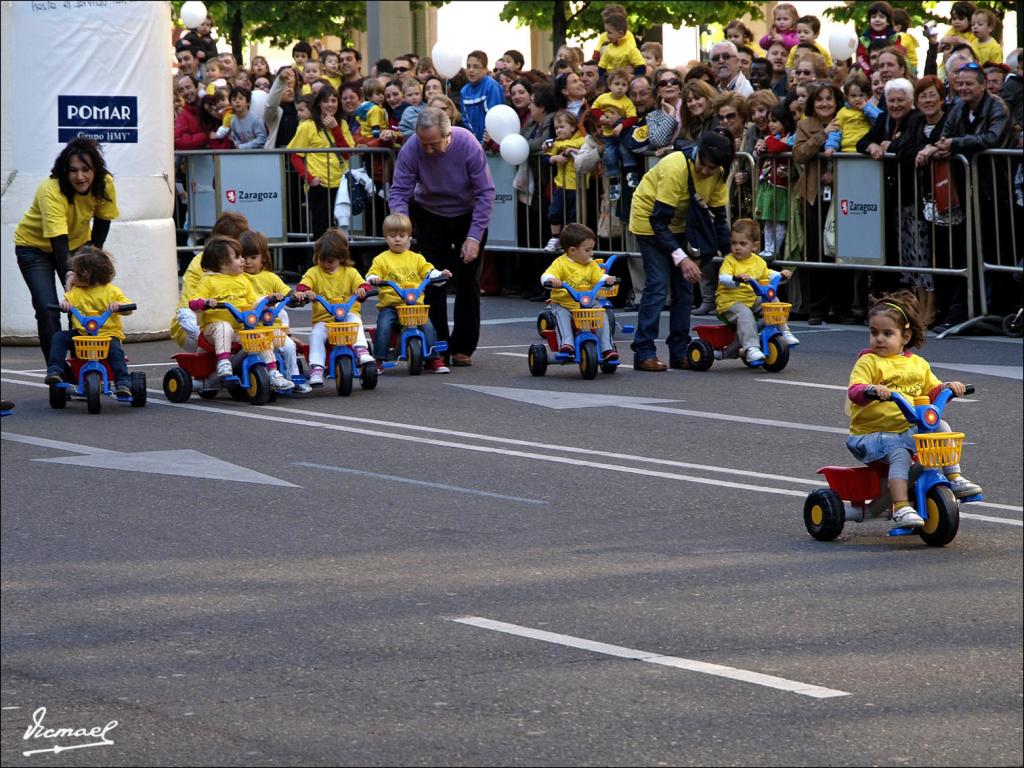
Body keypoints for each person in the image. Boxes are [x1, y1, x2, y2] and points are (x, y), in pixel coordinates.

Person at [845, 291, 982, 528]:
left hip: (904, 429)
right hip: (870, 434)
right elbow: (855, 389)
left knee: (941, 426)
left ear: (905, 336)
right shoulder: (869, 362)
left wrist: (950, 388)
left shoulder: (917, 364)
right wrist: (871, 390)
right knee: (899, 453)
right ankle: (900, 507)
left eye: (887, 333)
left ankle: (954, 477)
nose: (879, 339)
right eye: (874, 332)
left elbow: (933, 391)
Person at [388, 108, 495, 368]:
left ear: (448, 135)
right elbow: (400, 191)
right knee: (432, 280)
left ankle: (463, 347)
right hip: (429, 213)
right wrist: (402, 228)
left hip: (466, 213)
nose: (430, 149)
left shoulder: (467, 143)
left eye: (435, 144)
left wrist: (474, 238)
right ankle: (437, 346)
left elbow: (485, 192)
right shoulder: (413, 148)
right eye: (425, 144)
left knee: (468, 280)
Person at [628, 130, 733, 371]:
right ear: (697, 153)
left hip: (680, 222)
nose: (706, 172)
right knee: (657, 284)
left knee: (685, 289)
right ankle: (643, 351)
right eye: (703, 165)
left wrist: (732, 258)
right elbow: (658, 221)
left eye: (712, 168)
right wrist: (682, 258)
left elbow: (718, 218)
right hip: (649, 221)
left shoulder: (719, 174)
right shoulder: (676, 166)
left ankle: (679, 349)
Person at [15, 138, 118, 364]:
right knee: (48, 308)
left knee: (83, 304)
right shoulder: (51, 190)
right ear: (65, 171)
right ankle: (57, 369)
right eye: (73, 170)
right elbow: (58, 242)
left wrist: (90, 266)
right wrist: (71, 277)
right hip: (34, 248)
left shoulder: (105, 183)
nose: (80, 177)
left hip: (77, 246)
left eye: (85, 169)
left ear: (95, 170)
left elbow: (101, 225)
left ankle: (82, 364)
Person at [187, 236, 294, 391]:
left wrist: (267, 300)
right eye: (237, 257)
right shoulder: (209, 281)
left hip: (238, 330)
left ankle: (273, 373)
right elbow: (194, 302)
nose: (243, 260)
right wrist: (204, 303)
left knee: (259, 336)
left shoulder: (242, 280)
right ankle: (223, 361)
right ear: (222, 262)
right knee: (224, 326)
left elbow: (253, 301)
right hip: (212, 332)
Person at [366, 214, 453, 374]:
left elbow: (429, 272)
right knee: (384, 326)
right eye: (392, 236)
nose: (397, 239)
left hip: (415, 306)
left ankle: (433, 359)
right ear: (386, 238)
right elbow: (371, 274)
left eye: (402, 235)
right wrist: (374, 279)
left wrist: (440, 274)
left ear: (409, 237)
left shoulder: (417, 258)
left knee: (428, 326)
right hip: (392, 305)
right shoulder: (381, 259)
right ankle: (379, 360)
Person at [43, 246, 134, 397]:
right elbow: (67, 300)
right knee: (59, 337)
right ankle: (55, 370)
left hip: (107, 336)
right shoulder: (76, 292)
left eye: (76, 273)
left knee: (116, 352)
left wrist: (119, 306)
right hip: (81, 335)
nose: (72, 275)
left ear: (88, 274)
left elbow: (128, 309)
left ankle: (123, 383)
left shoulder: (112, 291)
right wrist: (65, 304)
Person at [294, 228, 375, 385]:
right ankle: (317, 368)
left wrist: (362, 290)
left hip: (346, 317)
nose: (325, 264)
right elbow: (302, 286)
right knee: (316, 334)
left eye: (330, 261)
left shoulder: (350, 272)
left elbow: (364, 285)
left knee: (355, 319)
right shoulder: (314, 272)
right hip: (325, 320)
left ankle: (361, 350)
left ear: (341, 257)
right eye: (321, 260)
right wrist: (306, 292)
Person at [716, 218, 799, 364]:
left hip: (751, 299)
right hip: (730, 302)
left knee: (774, 302)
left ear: (754, 246)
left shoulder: (758, 261)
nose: (737, 247)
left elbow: (767, 273)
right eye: (734, 243)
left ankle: (784, 331)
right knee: (745, 313)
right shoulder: (730, 260)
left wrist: (781, 274)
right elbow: (723, 277)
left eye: (742, 244)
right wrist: (736, 278)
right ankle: (751, 348)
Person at [239, 230, 310, 394]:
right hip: (252, 329)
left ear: (263, 257)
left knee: (290, 346)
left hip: (274, 329)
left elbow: (287, 293)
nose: (248, 262)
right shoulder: (238, 279)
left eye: (253, 257)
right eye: (244, 257)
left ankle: (295, 377)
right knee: (261, 349)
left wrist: (296, 296)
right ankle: (267, 376)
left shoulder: (270, 277)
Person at [540, 223, 619, 359]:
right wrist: (552, 280)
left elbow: (599, 277)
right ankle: (566, 344)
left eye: (591, 250)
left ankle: (607, 347)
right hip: (564, 304)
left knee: (602, 314)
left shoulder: (591, 264)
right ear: (572, 250)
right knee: (562, 316)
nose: (591, 254)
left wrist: (608, 280)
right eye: (587, 250)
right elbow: (546, 276)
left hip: (588, 303)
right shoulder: (561, 264)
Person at [287, 84, 354, 244]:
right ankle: (318, 265)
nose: (330, 104)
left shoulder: (342, 124)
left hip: (340, 184)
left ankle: (340, 263)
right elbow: (294, 156)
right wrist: (309, 178)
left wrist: (335, 129)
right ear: (319, 104)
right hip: (319, 185)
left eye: (333, 100)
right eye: (326, 101)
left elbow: (346, 153)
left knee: (341, 230)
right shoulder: (307, 126)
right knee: (321, 230)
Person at [754, 102, 796, 260]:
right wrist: (760, 146)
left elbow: (776, 147)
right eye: (770, 120)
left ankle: (776, 249)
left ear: (785, 121)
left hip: (781, 187)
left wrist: (767, 142)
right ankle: (768, 247)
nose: (771, 124)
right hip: (767, 185)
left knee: (778, 220)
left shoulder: (791, 138)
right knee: (767, 219)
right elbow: (759, 151)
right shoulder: (773, 138)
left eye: (775, 120)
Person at [591, 67, 638, 199]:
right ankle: (613, 182)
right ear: (610, 85)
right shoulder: (603, 98)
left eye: (624, 85)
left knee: (625, 151)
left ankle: (631, 173)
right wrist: (600, 117)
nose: (620, 88)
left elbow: (632, 117)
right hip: (608, 136)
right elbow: (594, 108)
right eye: (617, 84)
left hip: (622, 135)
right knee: (610, 156)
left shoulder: (627, 102)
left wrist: (621, 126)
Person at [543, 110, 586, 252]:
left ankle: (569, 242)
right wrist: (553, 158)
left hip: (578, 186)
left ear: (572, 127)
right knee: (554, 212)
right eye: (556, 128)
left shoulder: (582, 140)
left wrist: (572, 150)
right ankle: (555, 238)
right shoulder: (555, 143)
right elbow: (545, 157)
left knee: (574, 217)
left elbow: (587, 153)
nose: (558, 130)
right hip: (561, 184)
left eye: (561, 127)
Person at [825, 72, 883, 155]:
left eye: (861, 95)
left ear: (868, 96)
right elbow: (835, 131)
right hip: (847, 151)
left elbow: (881, 121)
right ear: (847, 97)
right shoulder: (842, 112)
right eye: (853, 96)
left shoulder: (871, 108)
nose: (857, 99)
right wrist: (831, 146)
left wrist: (867, 108)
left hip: (867, 151)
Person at [460, 50, 506, 143]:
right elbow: (465, 120)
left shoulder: (492, 87)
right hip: (473, 143)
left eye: (476, 67)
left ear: (485, 69)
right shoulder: (464, 91)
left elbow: (495, 118)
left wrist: (487, 141)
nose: (471, 70)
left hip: (493, 143)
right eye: (468, 66)